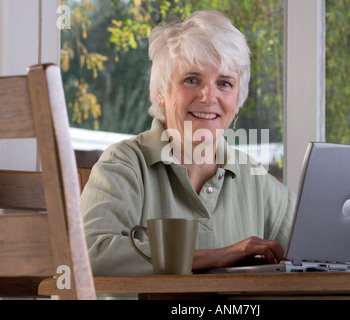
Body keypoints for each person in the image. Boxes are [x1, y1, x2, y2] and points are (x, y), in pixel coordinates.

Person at [81, 10, 296, 277]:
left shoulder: (255, 178)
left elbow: (318, 250)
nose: (209, 96)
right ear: (161, 92)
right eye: (191, 80)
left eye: (225, 83)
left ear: (238, 99)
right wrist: (220, 256)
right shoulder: (125, 163)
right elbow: (90, 254)